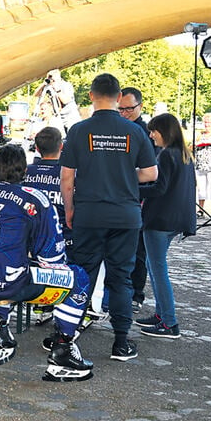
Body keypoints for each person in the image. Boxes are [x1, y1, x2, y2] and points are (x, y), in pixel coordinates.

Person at [0, 143, 95, 381]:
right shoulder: (33, 199)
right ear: (25, 171)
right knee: (78, 277)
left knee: (2, 266)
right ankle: (62, 350)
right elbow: (52, 258)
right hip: (5, 283)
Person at [60, 73, 158, 362]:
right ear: (118, 98)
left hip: (88, 213)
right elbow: (151, 173)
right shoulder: (134, 131)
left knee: (82, 275)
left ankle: (67, 335)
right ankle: (120, 342)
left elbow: (67, 178)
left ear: (91, 96)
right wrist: (126, 177)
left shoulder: (79, 130)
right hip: (125, 216)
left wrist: (69, 209)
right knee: (121, 278)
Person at [137, 113, 197, 339]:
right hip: (177, 220)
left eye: (154, 131)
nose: (151, 135)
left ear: (165, 131)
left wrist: (131, 189)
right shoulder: (184, 155)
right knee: (156, 269)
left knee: (158, 271)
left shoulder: (165, 155)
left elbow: (159, 189)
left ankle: (169, 322)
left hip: (159, 220)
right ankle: (162, 315)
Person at [23, 125, 67, 326]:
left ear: (38, 149)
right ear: (61, 146)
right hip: (61, 238)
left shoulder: (25, 172)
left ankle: (41, 304)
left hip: (27, 239)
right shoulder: (68, 173)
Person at [120, 86, 151, 311]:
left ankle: (136, 294)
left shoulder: (146, 132)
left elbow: (151, 171)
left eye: (129, 108)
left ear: (140, 106)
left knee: (139, 250)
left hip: (138, 197)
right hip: (116, 198)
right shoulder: (116, 127)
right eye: (120, 108)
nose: (124, 112)